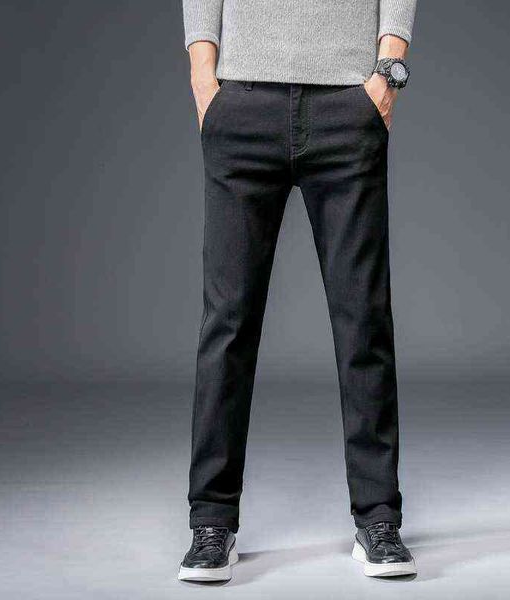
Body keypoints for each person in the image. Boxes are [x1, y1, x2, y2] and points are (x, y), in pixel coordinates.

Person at [179, 0, 418, 582]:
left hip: (347, 104)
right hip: (242, 101)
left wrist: (387, 73)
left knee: (363, 318)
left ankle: (378, 517)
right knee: (228, 320)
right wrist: (204, 79)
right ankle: (211, 521)